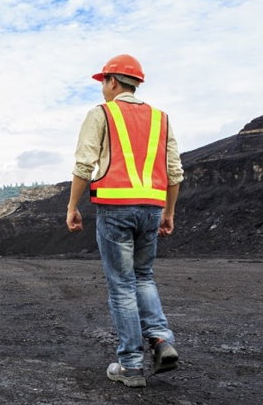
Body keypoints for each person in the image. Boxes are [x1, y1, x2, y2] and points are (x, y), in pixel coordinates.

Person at [66, 54, 183, 388]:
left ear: (112, 82)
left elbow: (83, 165)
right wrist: (169, 212)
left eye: (103, 81)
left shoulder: (101, 113)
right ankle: (160, 340)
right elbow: (174, 171)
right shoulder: (161, 118)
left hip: (115, 210)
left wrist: (73, 206)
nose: (102, 88)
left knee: (121, 286)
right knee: (143, 277)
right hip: (151, 209)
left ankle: (131, 365)